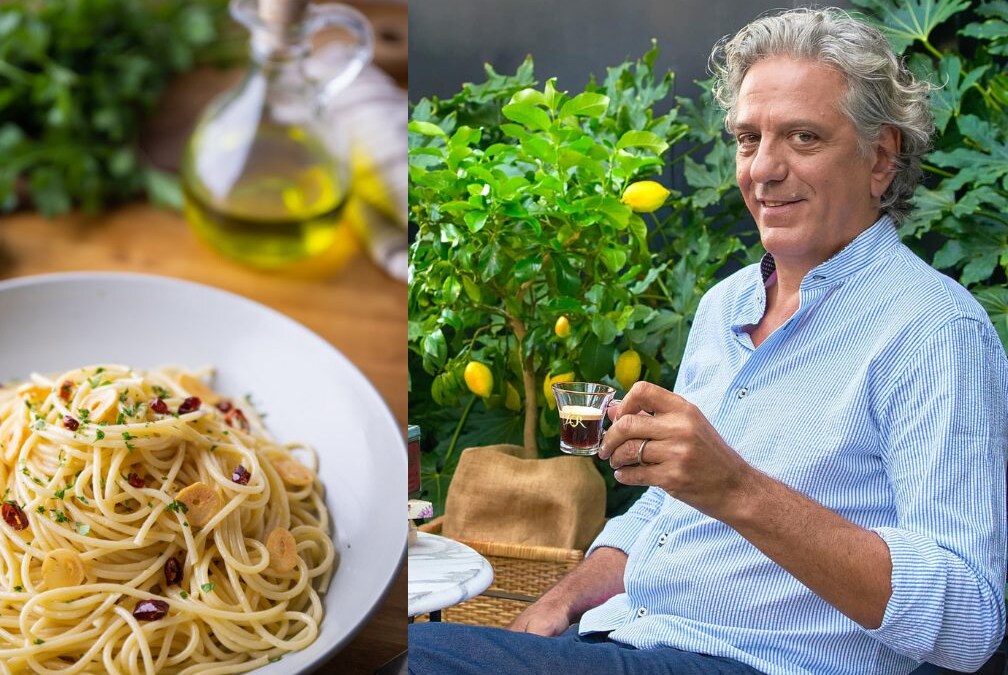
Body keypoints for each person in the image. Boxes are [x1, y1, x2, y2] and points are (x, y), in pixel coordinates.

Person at [408, 7, 1008, 675]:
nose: (763, 170)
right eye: (748, 138)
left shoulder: (934, 332)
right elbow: (667, 507)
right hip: (627, 635)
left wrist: (739, 489)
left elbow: (968, 619)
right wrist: (566, 597)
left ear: (880, 157)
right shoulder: (727, 304)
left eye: (803, 138)